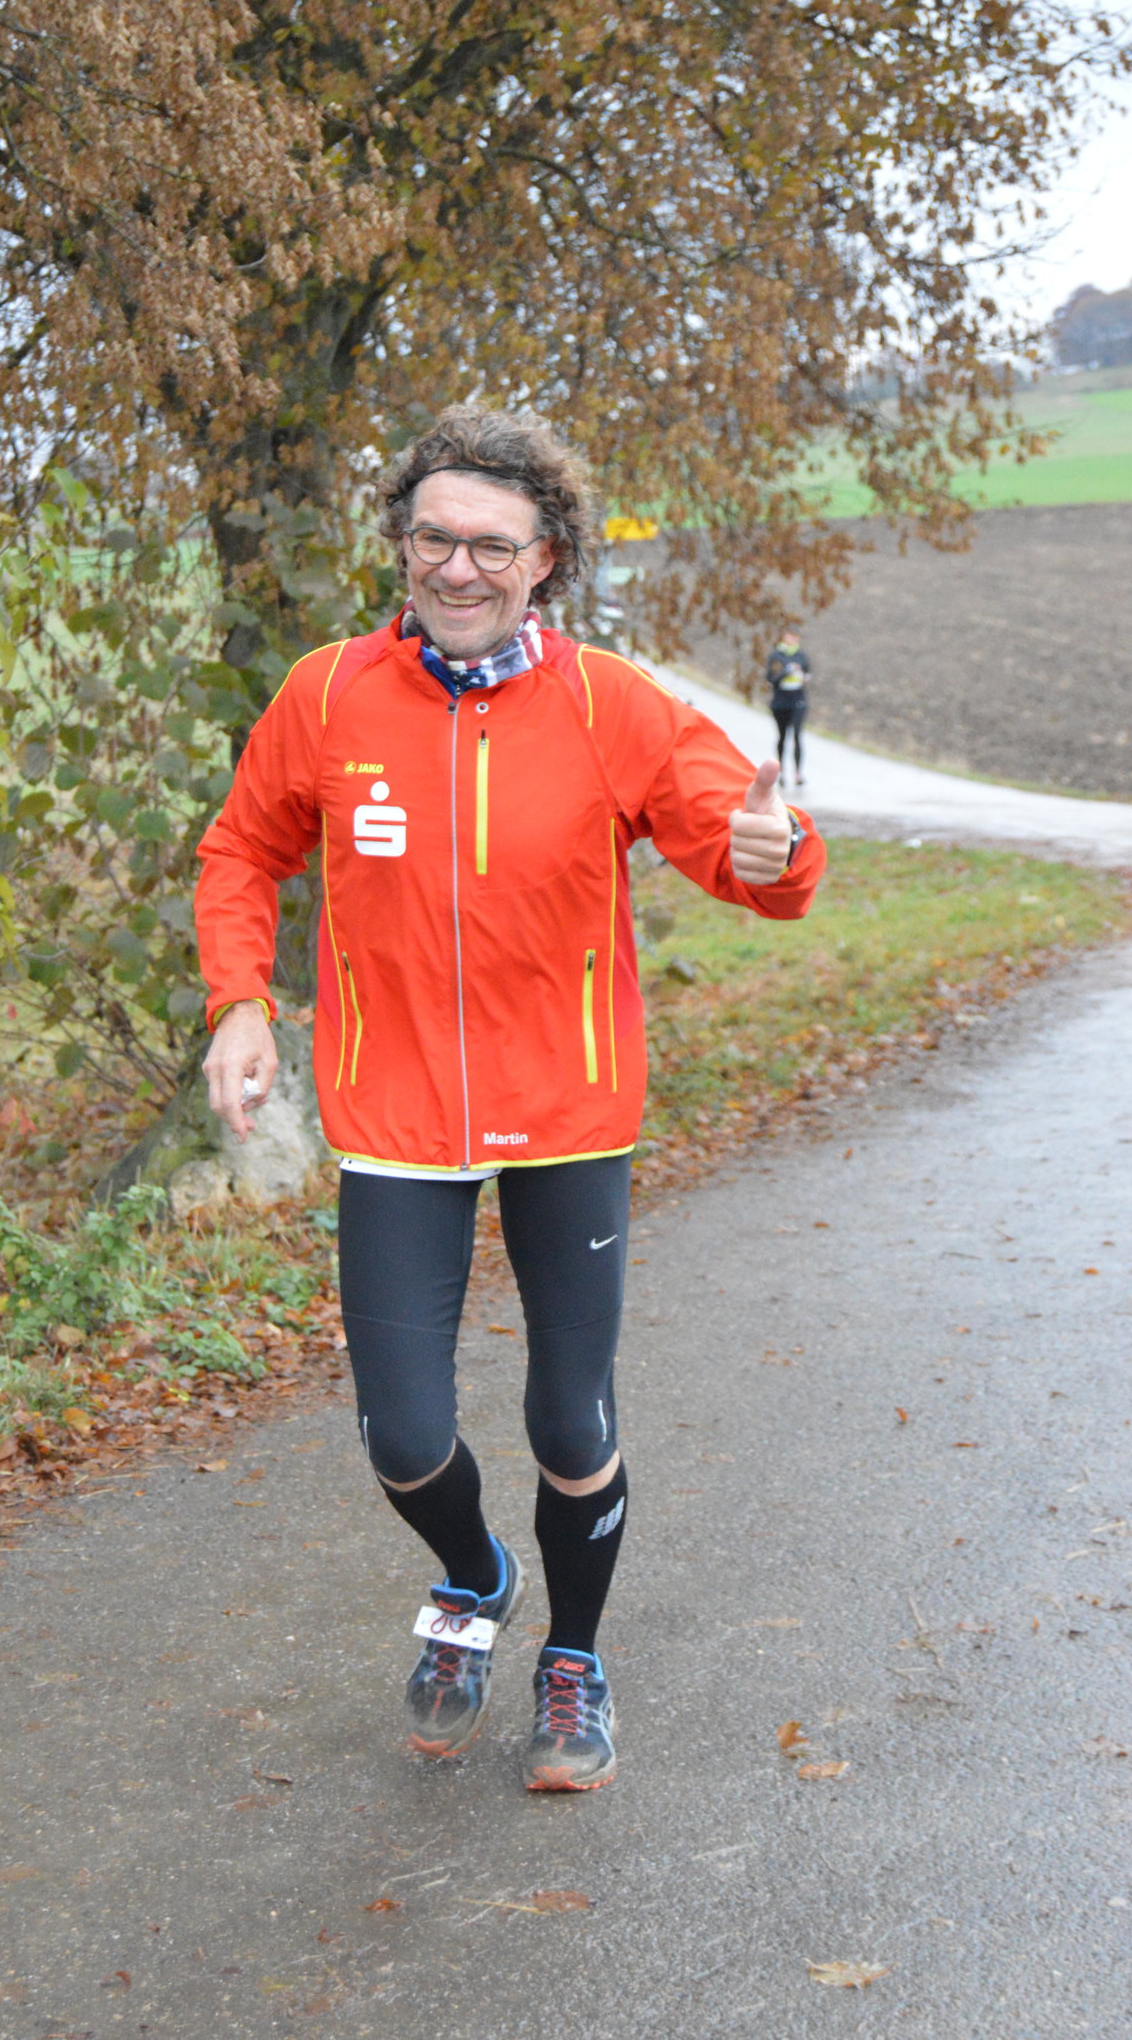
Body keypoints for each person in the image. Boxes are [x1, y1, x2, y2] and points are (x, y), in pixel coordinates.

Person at [195, 408, 825, 1793]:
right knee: (404, 1435)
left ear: (545, 559)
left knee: (569, 1421)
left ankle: (573, 1659)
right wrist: (239, 998)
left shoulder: (612, 705)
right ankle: (475, 1576)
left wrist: (774, 852)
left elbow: (755, 861)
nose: (458, 567)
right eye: (434, 538)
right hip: (396, 1111)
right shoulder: (329, 694)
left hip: (567, 1112)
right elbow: (241, 849)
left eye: (491, 544)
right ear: (400, 544)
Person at [765, 633, 812, 790]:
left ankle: (798, 773)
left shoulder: (801, 656)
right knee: (782, 737)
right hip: (780, 702)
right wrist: (787, 671)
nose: (790, 640)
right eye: (788, 637)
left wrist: (804, 677)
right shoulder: (776, 656)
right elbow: (771, 679)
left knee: (797, 736)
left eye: (794, 637)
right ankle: (781, 772)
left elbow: (807, 674)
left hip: (798, 701)